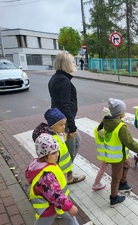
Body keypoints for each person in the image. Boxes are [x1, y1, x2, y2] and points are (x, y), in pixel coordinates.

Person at [25, 133, 93, 225]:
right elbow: (55, 194)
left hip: (56, 204)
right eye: (53, 153)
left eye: (57, 151)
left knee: (70, 217)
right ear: (44, 155)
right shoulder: (46, 175)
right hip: (48, 207)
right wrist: (69, 207)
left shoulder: (44, 164)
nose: (57, 154)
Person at [48, 51, 85, 185]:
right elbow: (66, 105)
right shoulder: (63, 81)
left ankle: (64, 172)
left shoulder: (56, 78)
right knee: (69, 149)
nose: (75, 64)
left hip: (60, 120)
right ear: (66, 64)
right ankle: (65, 175)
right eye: (72, 62)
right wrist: (72, 127)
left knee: (75, 143)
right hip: (64, 122)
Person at [104, 98, 138, 207]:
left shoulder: (108, 122)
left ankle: (123, 183)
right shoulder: (120, 127)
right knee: (116, 177)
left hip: (119, 154)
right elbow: (129, 141)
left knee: (127, 165)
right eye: (124, 110)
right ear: (120, 113)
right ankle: (113, 198)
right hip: (117, 157)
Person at [32, 108, 73, 179]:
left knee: (64, 181)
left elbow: (64, 136)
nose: (64, 127)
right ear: (52, 126)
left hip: (64, 166)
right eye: (61, 125)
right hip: (58, 167)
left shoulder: (60, 134)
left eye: (64, 124)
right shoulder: (51, 139)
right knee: (60, 182)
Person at [92, 107, 110, 191]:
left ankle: (96, 182)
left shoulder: (97, 128)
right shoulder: (109, 130)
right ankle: (96, 183)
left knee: (103, 168)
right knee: (104, 168)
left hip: (101, 153)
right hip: (108, 154)